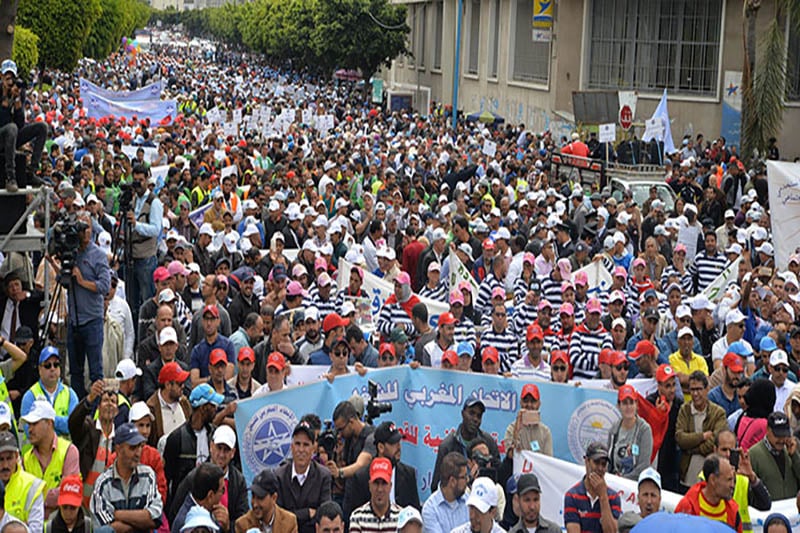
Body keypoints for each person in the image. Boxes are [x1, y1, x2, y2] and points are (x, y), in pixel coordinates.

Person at [167, 425, 248, 532]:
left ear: (233, 453)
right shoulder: (194, 477)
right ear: (211, 446)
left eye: (226, 450)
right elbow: (175, 512)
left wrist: (229, 526)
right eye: (219, 448)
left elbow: (242, 520)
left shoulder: (239, 481)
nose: (221, 454)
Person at [65, 215, 111, 399]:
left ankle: (96, 412)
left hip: (92, 320)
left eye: (88, 227)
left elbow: (104, 287)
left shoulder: (98, 255)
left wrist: (82, 281)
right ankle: (78, 410)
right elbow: (65, 282)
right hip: (74, 319)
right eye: (81, 227)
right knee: (75, 372)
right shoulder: (72, 252)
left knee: (95, 372)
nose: (85, 232)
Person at [90, 422, 162, 532]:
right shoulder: (103, 483)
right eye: (132, 448)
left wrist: (117, 514)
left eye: (140, 446)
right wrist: (140, 523)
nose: (138, 453)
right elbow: (105, 527)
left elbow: (155, 518)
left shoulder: (148, 476)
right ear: (118, 449)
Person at [343, 421, 419, 520]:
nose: (399, 447)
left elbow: (415, 515)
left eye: (399, 442)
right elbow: (352, 517)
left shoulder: (408, 474)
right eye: (393, 443)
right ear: (381, 447)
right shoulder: (361, 478)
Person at [163, 383, 223, 507]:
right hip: (184, 505)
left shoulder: (215, 434)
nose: (216, 409)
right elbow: (167, 479)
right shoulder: (176, 438)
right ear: (203, 408)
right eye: (213, 406)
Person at [20, 400, 79, 517]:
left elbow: (69, 493)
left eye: (34, 423)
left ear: (49, 423)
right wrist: (54, 494)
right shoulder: (25, 458)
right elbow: (22, 496)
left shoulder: (69, 451)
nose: (29, 429)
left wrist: (35, 496)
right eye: (29, 424)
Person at [68, 379, 118, 507]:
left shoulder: (119, 438)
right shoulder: (88, 429)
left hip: (106, 505)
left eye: (113, 402)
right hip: (82, 503)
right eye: (105, 401)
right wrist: (90, 399)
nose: (109, 404)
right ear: (98, 407)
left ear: (117, 410)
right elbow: (73, 422)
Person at [275, 421, 333, 533]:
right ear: (291, 447)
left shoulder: (323, 475)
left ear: (313, 449)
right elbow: (279, 518)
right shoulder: (279, 476)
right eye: (297, 444)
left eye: (306, 445)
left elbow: (324, 516)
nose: (301, 450)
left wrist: (292, 515)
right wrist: (307, 513)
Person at [431, 399, 499, 491]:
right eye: (471, 413)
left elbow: (499, 476)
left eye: (479, 416)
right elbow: (437, 485)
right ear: (463, 414)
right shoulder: (447, 446)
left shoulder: (488, 442)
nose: (475, 419)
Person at [0, 59, 47, 192]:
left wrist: (17, 104)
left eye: (12, 78)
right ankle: (10, 176)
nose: (10, 82)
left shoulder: (18, 91)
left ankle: (31, 171)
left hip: (12, 136)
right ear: (1, 77)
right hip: (2, 134)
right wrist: (4, 98)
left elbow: (20, 124)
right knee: (11, 127)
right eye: (7, 78)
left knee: (42, 127)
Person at [676, 370, 727, 489]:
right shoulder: (684, 410)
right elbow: (680, 438)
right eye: (692, 390)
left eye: (699, 389)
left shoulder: (718, 413)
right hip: (687, 478)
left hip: (710, 480)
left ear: (707, 389)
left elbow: (714, 442)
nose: (695, 394)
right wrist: (702, 436)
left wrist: (691, 449)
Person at [128, 164, 165, 322]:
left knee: (146, 301)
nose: (138, 184)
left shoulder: (154, 202)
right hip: (132, 255)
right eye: (135, 180)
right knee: (132, 302)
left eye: (141, 180)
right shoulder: (133, 199)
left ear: (147, 180)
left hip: (146, 258)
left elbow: (156, 229)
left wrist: (137, 225)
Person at [563, 442, 621, 533]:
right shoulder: (572, 495)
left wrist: (603, 497)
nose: (600, 468)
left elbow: (612, 531)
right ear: (586, 461)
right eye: (596, 463)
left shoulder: (614, 497)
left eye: (603, 464)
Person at [674, 454, 742, 533]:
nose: (732, 485)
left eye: (733, 480)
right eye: (729, 480)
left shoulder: (732, 511)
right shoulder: (688, 507)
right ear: (713, 479)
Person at [21, 346, 78, 438]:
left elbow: (73, 426)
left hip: (64, 451)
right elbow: (30, 431)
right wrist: (62, 424)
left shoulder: (71, 394)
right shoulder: (30, 396)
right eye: (47, 365)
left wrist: (48, 419)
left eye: (56, 364)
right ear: (40, 369)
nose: (52, 369)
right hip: (36, 451)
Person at [748, 412, 800, 500]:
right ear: (768, 430)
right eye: (777, 435)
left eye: (784, 435)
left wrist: (794, 456)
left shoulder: (792, 448)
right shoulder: (753, 454)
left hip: (792, 510)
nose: (781, 440)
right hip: (767, 512)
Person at [606, 385, 653, 480]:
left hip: (635, 484)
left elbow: (643, 466)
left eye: (631, 403)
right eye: (624, 403)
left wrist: (622, 479)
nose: (628, 407)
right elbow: (608, 462)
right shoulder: (613, 430)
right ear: (618, 406)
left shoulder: (644, 430)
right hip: (614, 482)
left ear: (636, 405)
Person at [0, 430, 44, 531]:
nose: (5, 465)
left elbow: (36, 530)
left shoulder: (33, 486)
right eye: (1, 459)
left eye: (9, 458)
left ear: (16, 456)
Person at [171, 462, 229, 533]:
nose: (223, 494)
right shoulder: (184, 522)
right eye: (222, 490)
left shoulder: (210, 510)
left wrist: (226, 528)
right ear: (210, 495)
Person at [235, 468, 298, 533]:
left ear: (274, 498)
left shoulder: (289, 522)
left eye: (260, 498)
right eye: (253, 496)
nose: (255, 504)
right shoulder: (242, 525)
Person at [348, 458, 402, 533]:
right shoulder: (357, 517)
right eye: (376, 483)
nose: (380, 489)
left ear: (390, 486)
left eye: (384, 483)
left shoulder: (402, 517)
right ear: (369, 485)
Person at [146, 361, 192, 447]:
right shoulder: (151, 409)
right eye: (179, 384)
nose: (183, 386)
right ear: (167, 385)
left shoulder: (184, 403)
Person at [421, 452, 468, 533]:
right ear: (452, 481)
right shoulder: (430, 509)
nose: (467, 480)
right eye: (464, 477)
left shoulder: (468, 501)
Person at [503, 384, 553, 457]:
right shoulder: (512, 428)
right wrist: (516, 432)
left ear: (539, 404)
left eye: (533, 401)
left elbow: (547, 462)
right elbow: (510, 456)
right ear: (520, 403)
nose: (529, 405)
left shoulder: (545, 432)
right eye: (525, 401)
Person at [617, 468, 662, 533]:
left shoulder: (668, 527)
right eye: (645, 495)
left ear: (659, 499)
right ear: (638, 498)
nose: (649, 501)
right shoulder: (628, 524)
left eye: (653, 495)